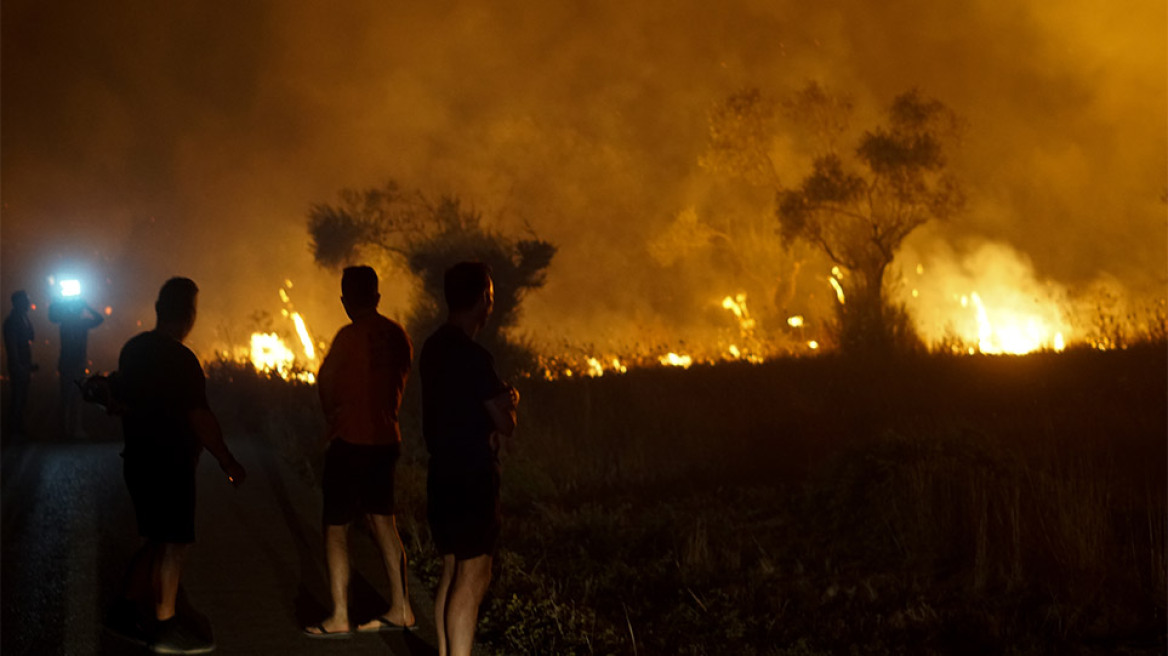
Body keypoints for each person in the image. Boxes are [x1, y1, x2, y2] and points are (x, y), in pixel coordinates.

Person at [108, 277, 246, 654]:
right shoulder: (182, 360)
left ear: (157, 308)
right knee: (174, 543)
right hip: (170, 463)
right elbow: (199, 417)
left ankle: (123, 610)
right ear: (189, 315)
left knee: (155, 537)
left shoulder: (133, 349)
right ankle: (166, 627)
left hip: (137, 460)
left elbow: (121, 396)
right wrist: (227, 460)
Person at [305, 265, 416, 638]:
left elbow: (326, 384)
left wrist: (333, 419)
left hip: (350, 441)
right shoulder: (399, 335)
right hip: (387, 439)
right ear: (377, 296)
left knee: (336, 528)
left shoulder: (348, 337)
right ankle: (401, 607)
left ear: (345, 300)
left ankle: (339, 615)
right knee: (384, 522)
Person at [420, 262, 519, 656]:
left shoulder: (432, 347)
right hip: (471, 476)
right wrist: (512, 404)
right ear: (484, 300)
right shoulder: (474, 356)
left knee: (451, 568)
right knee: (474, 576)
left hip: (441, 472)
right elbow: (505, 424)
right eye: (490, 294)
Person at [48, 293, 103, 438]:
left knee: (67, 397)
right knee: (76, 397)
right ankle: (75, 429)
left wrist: (60, 301)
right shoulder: (82, 323)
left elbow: (52, 316)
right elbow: (99, 319)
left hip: (67, 362)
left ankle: (65, 429)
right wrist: (86, 306)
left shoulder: (65, 321)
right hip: (77, 362)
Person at [3, 290, 37, 436]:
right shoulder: (12, 321)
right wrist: (18, 364)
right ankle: (14, 429)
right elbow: (12, 345)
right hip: (19, 364)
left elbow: (31, 336)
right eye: (26, 301)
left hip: (22, 363)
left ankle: (17, 427)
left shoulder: (21, 319)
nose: (29, 304)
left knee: (21, 398)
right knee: (18, 398)